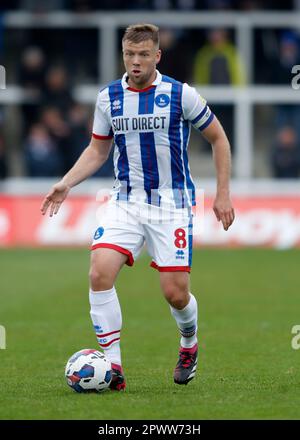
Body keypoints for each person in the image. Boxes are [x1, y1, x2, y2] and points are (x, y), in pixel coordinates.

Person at [41, 23, 235, 391]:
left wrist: (222, 194)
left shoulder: (181, 95)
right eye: (130, 54)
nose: (135, 61)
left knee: (175, 293)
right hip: (125, 202)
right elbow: (98, 150)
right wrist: (66, 182)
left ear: (157, 56)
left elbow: (219, 139)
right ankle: (113, 368)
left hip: (171, 205)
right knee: (99, 272)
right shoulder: (108, 98)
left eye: (143, 54)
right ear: (123, 55)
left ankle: (189, 344)